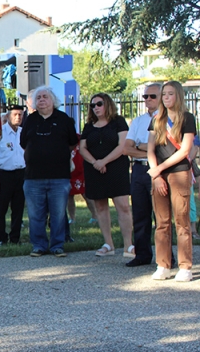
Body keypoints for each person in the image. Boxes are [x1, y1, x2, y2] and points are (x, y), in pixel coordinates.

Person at [147, 80, 197, 282]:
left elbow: (185, 151)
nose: (166, 98)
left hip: (179, 172)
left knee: (182, 221)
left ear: (178, 95)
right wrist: (156, 174)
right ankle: (163, 264)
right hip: (158, 175)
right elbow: (150, 150)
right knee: (161, 222)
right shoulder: (157, 119)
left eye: (170, 94)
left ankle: (185, 266)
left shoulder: (187, 118)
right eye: (163, 94)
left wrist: (160, 168)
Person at [20, 86, 78, 257]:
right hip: (33, 177)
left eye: (45, 97)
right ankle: (38, 245)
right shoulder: (30, 120)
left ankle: (57, 246)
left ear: (53, 100)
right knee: (35, 214)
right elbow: (24, 143)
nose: (42, 100)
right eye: (38, 98)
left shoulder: (64, 119)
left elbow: (72, 142)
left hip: (59, 177)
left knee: (58, 214)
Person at [79, 93, 134, 258]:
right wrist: (96, 162)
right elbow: (83, 148)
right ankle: (108, 244)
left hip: (116, 167)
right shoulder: (89, 126)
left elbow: (122, 145)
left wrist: (104, 161)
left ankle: (128, 245)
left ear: (107, 104)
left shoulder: (118, 121)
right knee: (100, 206)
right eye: (92, 105)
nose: (96, 107)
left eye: (99, 104)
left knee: (123, 206)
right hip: (94, 169)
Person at [123, 84, 162, 267]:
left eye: (152, 96)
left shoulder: (167, 119)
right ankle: (142, 255)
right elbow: (127, 148)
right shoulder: (138, 121)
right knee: (140, 213)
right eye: (145, 97)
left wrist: (142, 146)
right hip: (139, 169)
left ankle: (165, 256)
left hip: (160, 169)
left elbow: (164, 148)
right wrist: (148, 148)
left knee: (161, 215)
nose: (147, 100)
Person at [0, 104, 26, 245]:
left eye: (20, 114)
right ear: (8, 116)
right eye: (15, 114)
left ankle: (15, 237)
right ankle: (2, 237)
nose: (18, 117)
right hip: (4, 175)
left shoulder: (23, 132)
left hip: (20, 174)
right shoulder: (0, 134)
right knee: (1, 209)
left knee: (18, 208)